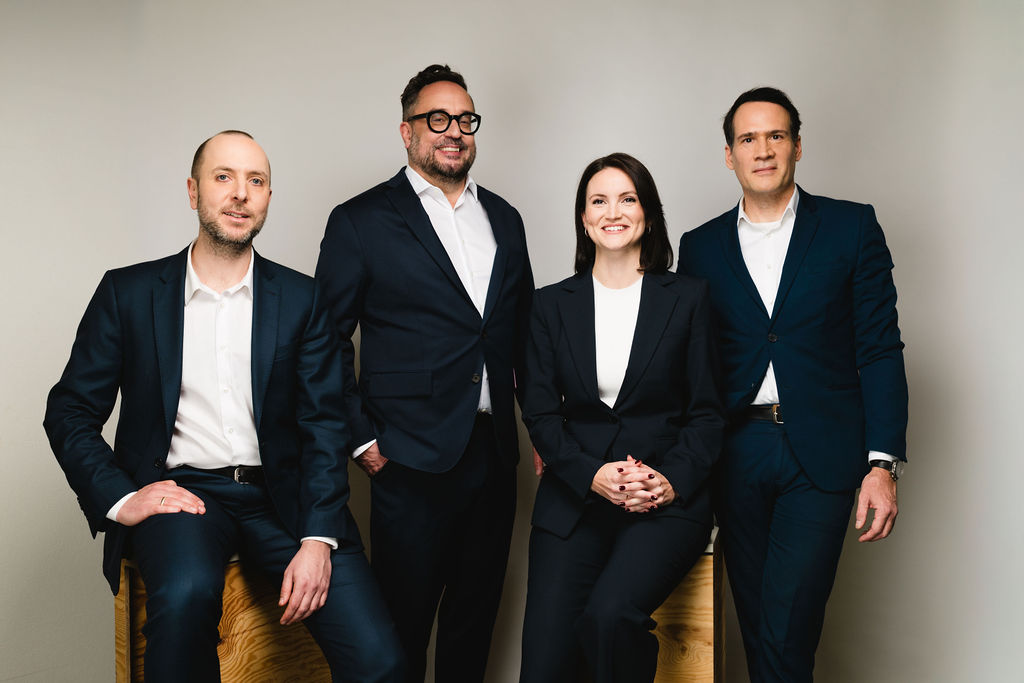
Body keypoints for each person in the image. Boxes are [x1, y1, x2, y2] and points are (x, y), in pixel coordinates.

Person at [44, 131, 404, 683]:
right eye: (223, 177)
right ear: (193, 191)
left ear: (267, 198)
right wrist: (122, 497)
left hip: (284, 498)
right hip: (184, 496)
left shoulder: (303, 300)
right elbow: (69, 411)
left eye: (256, 181)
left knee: (381, 659)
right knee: (185, 596)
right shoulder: (128, 293)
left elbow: (325, 425)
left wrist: (318, 539)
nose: (241, 193)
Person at [678, 87, 909, 682]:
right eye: (748, 138)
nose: (763, 150)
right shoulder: (699, 247)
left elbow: (880, 349)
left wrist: (882, 465)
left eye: (776, 135)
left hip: (821, 455)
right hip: (735, 454)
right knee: (761, 629)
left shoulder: (851, 227)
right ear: (729, 155)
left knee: (787, 627)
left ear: (797, 146)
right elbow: (686, 363)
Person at [314, 65, 534, 682]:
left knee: (473, 627)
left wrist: (543, 429)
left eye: (465, 119)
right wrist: (362, 440)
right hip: (407, 458)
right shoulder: (360, 220)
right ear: (407, 131)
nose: (453, 131)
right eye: (438, 119)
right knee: (400, 635)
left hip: (494, 455)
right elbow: (324, 341)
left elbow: (523, 337)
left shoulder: (504, 219)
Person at [519, 153, 725, 683]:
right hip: (573, 501)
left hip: (662, 502)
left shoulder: (688, 298)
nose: (613, 212)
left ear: (648, 215)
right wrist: (591, 473)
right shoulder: (549, 306)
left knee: (610, 619)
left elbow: (707, 413)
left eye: (627, 199)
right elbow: (540, 413)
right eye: (599, 201)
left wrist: (669, 481)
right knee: (544, 665)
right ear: (584, 218)